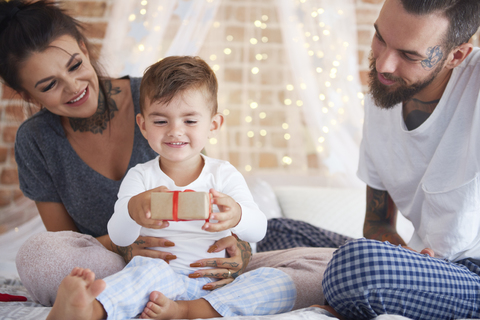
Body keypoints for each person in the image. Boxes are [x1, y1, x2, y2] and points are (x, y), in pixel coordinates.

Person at [0, 0, 335, 313]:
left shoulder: (159, 97)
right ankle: (103, 303)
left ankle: (182, 304)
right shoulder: (37, 140)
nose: (73, 86)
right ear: (25, 93)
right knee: (39, 255)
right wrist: (130, 242)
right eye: (49, 85)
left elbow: (223, 202)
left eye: (75, 65)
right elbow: (68, 243)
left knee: (329, 265)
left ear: (84, 49)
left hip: (205, 264)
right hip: (125, 267)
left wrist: (239, 252)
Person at [46, 55, 296, 320]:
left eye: (189, 121)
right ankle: (86, 310)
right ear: (143, 125)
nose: (175, 131)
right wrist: (132, 210)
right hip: (161, 278)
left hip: (216, 284)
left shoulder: (223, 174)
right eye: (161, 121)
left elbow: (259, 230)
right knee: (140, 274)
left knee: (277, 282)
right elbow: (119, 237)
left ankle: (185, 311)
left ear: (213, 125)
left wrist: (238, 215)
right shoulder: (140, 177)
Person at [321, 0, 480, 319]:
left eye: (409, 55)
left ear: (457, 56)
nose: (383, 65)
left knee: (356, 266)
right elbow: (376, 223)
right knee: (276, 229)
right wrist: (405, 256)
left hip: (472, 275)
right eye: (380, 38)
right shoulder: (385, 92)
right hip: (424, 266)